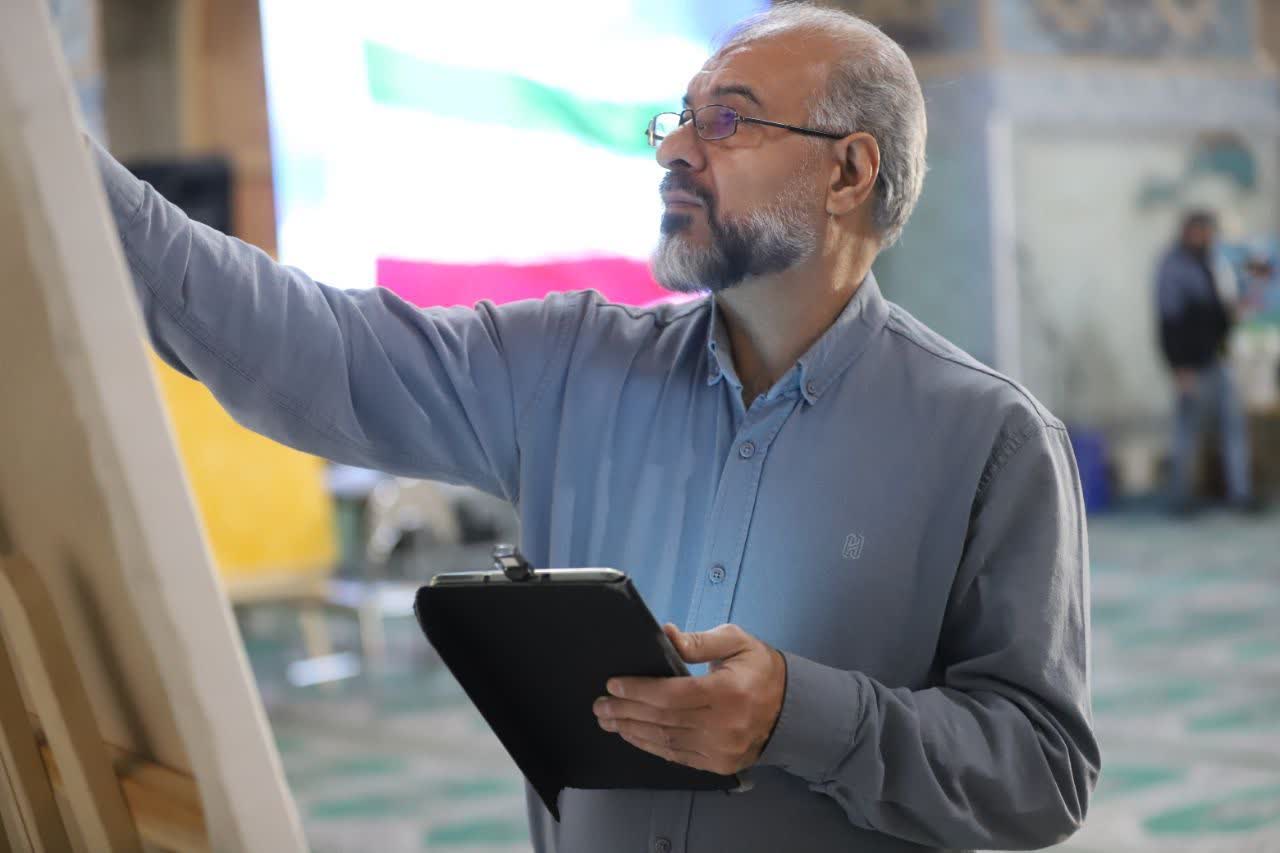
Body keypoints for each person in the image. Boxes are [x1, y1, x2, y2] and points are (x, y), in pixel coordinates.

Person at [89, 4, 1097, 850]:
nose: (674, 150)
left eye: (728, 121)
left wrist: (800, 714)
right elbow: (311, 349)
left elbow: (1041, 772)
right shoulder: (569, 366)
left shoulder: (989, 442)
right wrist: (57, 167)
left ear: (848, 173)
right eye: (679, 118)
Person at [1156, 210, 1256, 512]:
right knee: (1187, 431)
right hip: (1191, 365)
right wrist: (1179, 366)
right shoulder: (1173, 267)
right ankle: (1180, 497)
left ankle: (1240, 495)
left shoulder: (1215, 261)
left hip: (1219, 358)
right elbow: (1169, 321)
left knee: (1233, 428)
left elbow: (1222, 310)